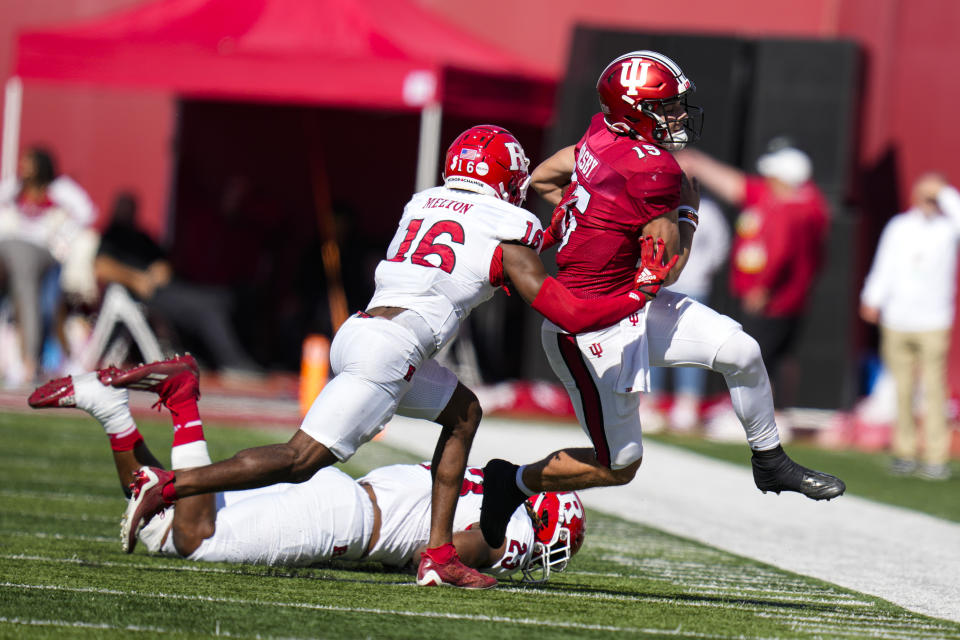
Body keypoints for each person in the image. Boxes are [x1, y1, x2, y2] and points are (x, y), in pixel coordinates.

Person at [100, 125, 671, 589]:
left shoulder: (422, 202)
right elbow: (565, 308)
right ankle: (169, 486)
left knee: (464, 411)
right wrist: (637, 287)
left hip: (365, 329)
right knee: (302, 458)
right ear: (507, 181)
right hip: (394, 349)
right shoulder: (509, 227)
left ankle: (438, 554)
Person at [477, 51, 846, 549]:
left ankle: (770, 460)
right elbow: (670, 268)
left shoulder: (602, 134)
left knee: (742, 351)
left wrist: (582, 218)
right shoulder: (655, 174)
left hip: (630, 306)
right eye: (667, 106)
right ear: (635, 109)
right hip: (586, 330)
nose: (677, 116)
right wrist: (689, 214)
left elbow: (544, 178)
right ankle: (510, 481)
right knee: (619, 465)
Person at [28, 367, 586, 581]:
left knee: (159, 523)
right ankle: (182, 399)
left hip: (341, 496)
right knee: (191, 540)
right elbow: (447, 556)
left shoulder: (476, 478)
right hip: (341, 521)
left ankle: (109, 408)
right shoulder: (506, 525)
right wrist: (492, 552)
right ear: (540, 515)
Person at [676, 138, 830, 409]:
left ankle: (763, 411)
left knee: (761, 356)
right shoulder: (779, 199)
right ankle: (767, 410)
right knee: (768, 356)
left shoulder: (797, 208)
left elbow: (781, 252)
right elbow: (737, 186)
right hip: (773, 295)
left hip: (775, 297)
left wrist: (764, 287)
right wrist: (697, 162)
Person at [93, 191, 261, 376]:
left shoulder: (141, 237)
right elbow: (101, 267)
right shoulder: (110, 236)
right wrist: (136, 279)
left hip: (166, 289)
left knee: (222, 299)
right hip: (144, 296)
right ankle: (232, 361)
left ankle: (206, 357)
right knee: (207, 307)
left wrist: (159, 271)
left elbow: (164, 263)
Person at [860, 173, 960, 481]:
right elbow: (884, 263)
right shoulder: (900, 227)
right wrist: (872, 297)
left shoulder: (947, 228)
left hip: (933, 319)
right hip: (898, 318)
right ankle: (904, 451)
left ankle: (935, 455)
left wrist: (943, 192)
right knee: (901, 387)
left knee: (933, 389)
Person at [0, 146, 95, 383]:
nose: (23, 167)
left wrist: (63, 237)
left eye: (28, 163)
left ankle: (52, 361)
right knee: (24, 303)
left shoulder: (58, 189)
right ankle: (27, 362)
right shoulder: (15, 187)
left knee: (48, 309)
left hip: (47, 255)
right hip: (18, 257)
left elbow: (87, 212)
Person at [643, 196, 730, 432]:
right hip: (660, 284)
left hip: (694, 286)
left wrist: (703, 270)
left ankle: (687, 404)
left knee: (693, 344)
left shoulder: (708, 211)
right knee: (653, 343)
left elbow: (719, 245)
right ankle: (650, 402)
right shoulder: (657, 206)